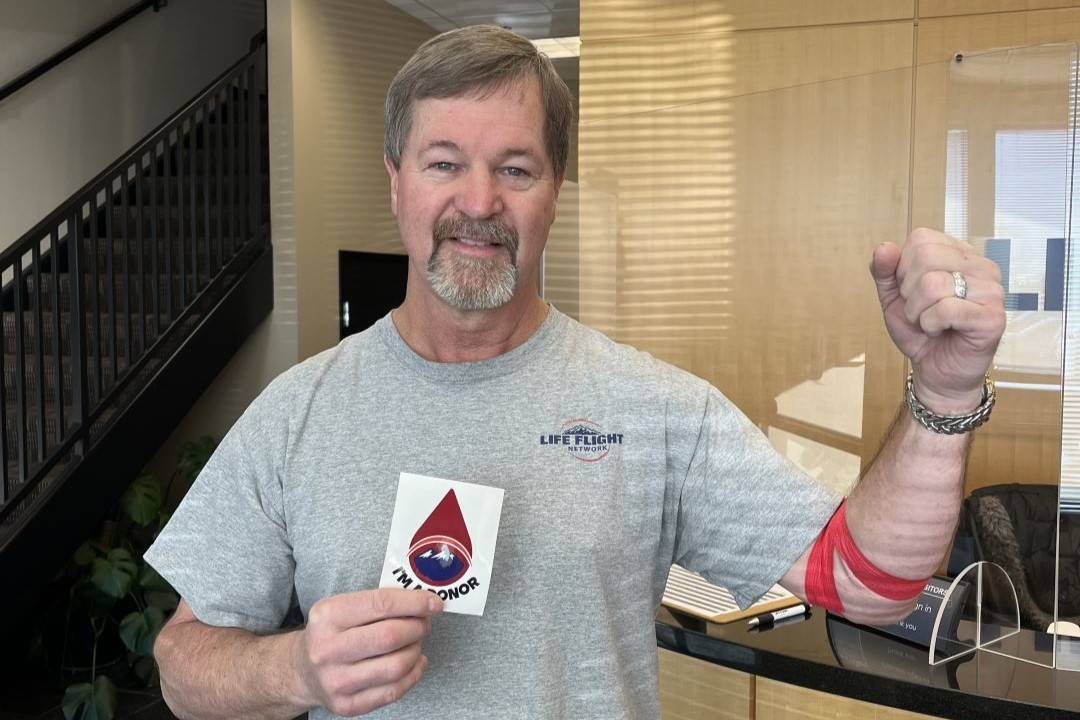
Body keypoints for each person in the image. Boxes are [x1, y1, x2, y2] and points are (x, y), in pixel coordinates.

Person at [146, 25, 1006, 720]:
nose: (480, 202)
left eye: (516, 168)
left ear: (554, 189)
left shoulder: (655, 408)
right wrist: (292, 668)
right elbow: (185, 668)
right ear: (396, 181)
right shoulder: (297, 411)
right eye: (444, 161)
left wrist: (945, 391)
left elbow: (873, 586)